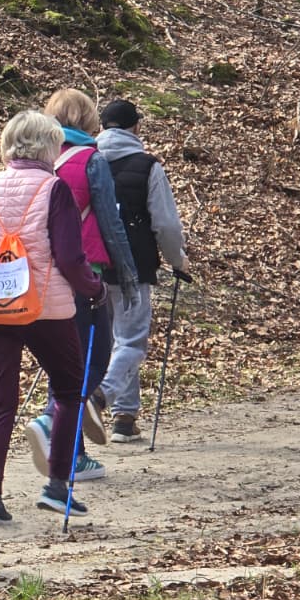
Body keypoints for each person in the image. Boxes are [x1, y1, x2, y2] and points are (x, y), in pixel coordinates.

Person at [0, 111, 107, 528]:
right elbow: (69, 256)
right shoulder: (54, 188)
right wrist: (94, 290)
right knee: (68, 390)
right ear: (49, 147)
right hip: (46, 306)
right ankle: (57, 485)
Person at [23, 90, 139, 482]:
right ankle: (50, 421)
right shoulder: (92, 160)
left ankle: (73, 454)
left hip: (40, 274)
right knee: (95, 357)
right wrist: (127, 274)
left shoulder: (38, 160)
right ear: (88, 119)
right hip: (85, 271)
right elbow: (110, 221)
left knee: (64, 362)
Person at [96, 99, 192, 444]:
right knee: (131, 341)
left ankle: (125, 417)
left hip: (92, 264)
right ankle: (102, 397)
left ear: (101, 127)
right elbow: (165, 224)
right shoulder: (148, 166)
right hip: (133, 264)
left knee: (110, 342)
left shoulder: (86, 161)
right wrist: (177, 259)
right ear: (136, 127)